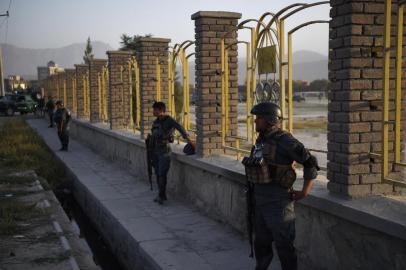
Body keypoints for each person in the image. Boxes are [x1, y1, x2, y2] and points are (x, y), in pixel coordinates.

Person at [242, 102, 319, 270]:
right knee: (261, 244)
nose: (255, 121)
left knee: (284, 245)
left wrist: (305, 192)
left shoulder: (285, 140)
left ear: (270, 120)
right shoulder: (261, 140)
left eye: (259, 118)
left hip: (279, 204)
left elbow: (310, 163)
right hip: (259, 201)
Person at [148, 101, 194, 205]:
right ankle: (160, 194)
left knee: (162, 174)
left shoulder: (169, 120)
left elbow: (180, 128)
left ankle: (162, 196)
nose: (153, 111)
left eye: (155, 110)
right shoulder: (156, 122)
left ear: (161, 110)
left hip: (164, 151)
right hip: (155, 151)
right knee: (157, 173)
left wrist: (188, 140)